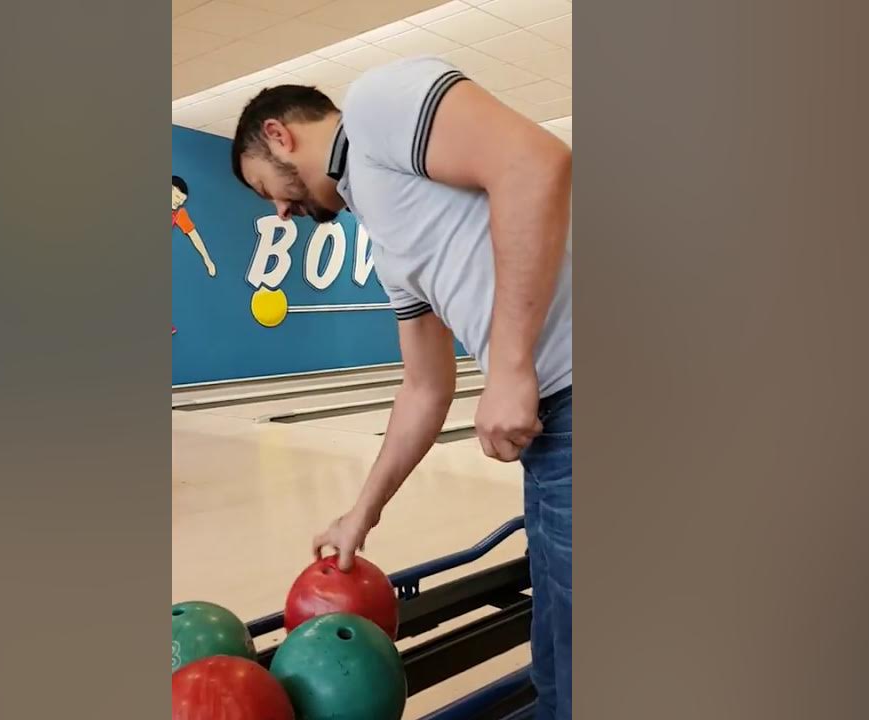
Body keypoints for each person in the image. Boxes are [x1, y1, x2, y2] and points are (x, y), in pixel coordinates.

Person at [230, 56, 573, 719]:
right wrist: (363, 513)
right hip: (556, 437)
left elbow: (536, 163)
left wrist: (506, 368)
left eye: (263, 187)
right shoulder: (385, 233)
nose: (278, 207)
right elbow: (424, 388)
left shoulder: (377, 105)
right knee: (557, 669)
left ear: (278, 135)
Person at [172, 175, 217, 278]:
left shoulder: (179, 213)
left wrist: (207, 260)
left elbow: (194, 236)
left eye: (182, 201)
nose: (179, 202)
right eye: (177, 197)